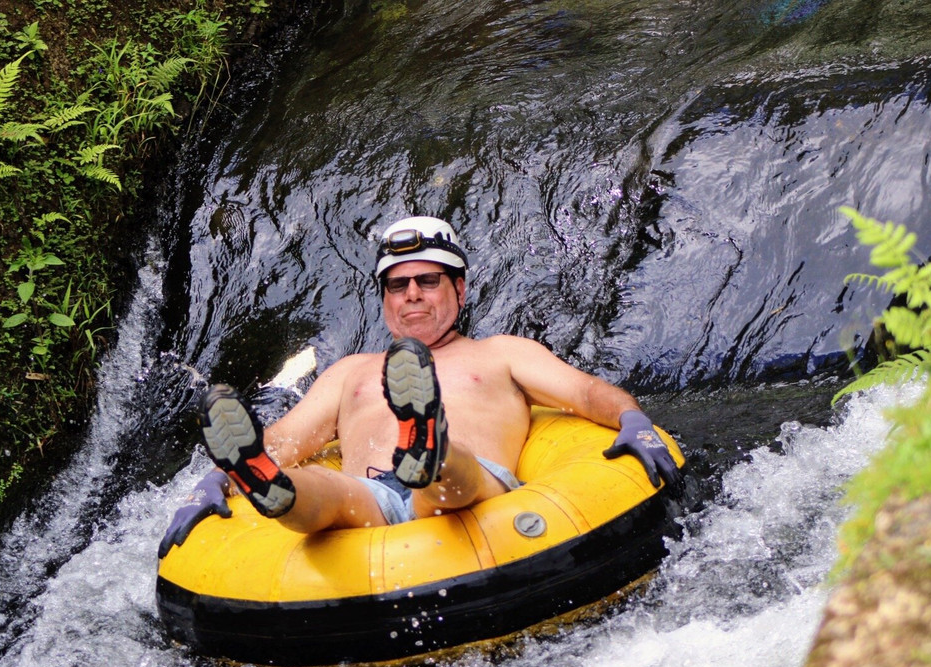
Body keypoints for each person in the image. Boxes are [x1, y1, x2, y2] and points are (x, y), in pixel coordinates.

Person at [159, 216, 681, 557]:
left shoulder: (501, 353)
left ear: (458, 289)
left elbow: (589, 393)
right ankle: (267, 486)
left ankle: (428, 444)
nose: (412, 295)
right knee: (330, 497)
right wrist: (217, 479)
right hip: (374, 493)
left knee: (449, 478)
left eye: (427, 282)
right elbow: (283, 441)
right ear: (384, 300)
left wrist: (632, 420)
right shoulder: (349, 373)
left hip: (479, 490)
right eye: (398, 285)